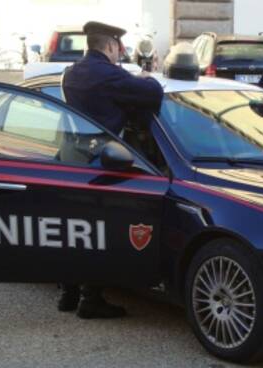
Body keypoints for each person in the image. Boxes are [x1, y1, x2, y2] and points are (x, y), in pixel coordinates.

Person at [58, 21, 164, 319]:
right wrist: (147, 76)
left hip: (69, 159)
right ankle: (91, 300)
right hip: (98, 162)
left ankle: (68, 294)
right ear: (111, 46)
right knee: (96, 232)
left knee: (73, 232)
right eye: (119, 48)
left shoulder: (72, 73)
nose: (121, 53)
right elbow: (153, 95)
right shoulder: (108, 75)